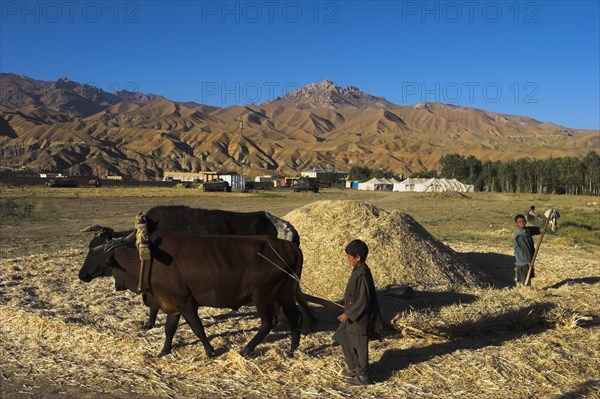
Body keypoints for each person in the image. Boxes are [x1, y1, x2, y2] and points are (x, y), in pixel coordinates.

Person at [333, 239, 383, 386]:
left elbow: (364, 300)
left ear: (358, 258)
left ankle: (363, 376)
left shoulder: (363, 274)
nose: (348, 259)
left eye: (349, 257)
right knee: (344, 338)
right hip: (353, 319)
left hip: (360, 320)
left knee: (360, 348)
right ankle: (353, 368)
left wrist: (348, 314)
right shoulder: (357, 270)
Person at [513, 214, 544, 286]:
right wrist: (529, 261)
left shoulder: (526, 230)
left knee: (528, 277)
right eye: (519, 222)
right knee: (524, 279)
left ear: (526, 221)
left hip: (528, 259)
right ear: (517, 224)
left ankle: (527, 287)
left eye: (523, 221)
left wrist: (539, 230)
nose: (522, 223)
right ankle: (524, 290)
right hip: (523, 261)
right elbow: (525, 249)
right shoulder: (520, 235)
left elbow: (531, 229)